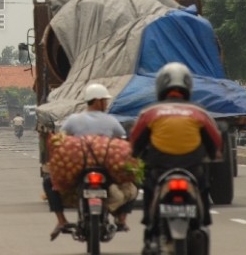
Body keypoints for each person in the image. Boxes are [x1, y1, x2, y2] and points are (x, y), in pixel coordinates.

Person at [128, 62, 222, 254]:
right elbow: (215, 142)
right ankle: (203, 221)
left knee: (149, 188)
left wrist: (135, 156)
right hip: (192, 171)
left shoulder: (150, 113)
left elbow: (135, 142)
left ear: (161, 86)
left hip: (159, 171)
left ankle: (149, 224)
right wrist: (214, 155)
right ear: (188, 86)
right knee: (203, 187)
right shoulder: (199, 113)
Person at [49, 83, 132, 240]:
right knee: (133, 181)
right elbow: (122, 141)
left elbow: (61, 140)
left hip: (79, 168)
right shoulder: (111, 121)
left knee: (49, 182)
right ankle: (121, 220)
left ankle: (61, 221)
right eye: (104, 101)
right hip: (105, 168)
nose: (106, 104)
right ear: (97, 101)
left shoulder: (74, 119)